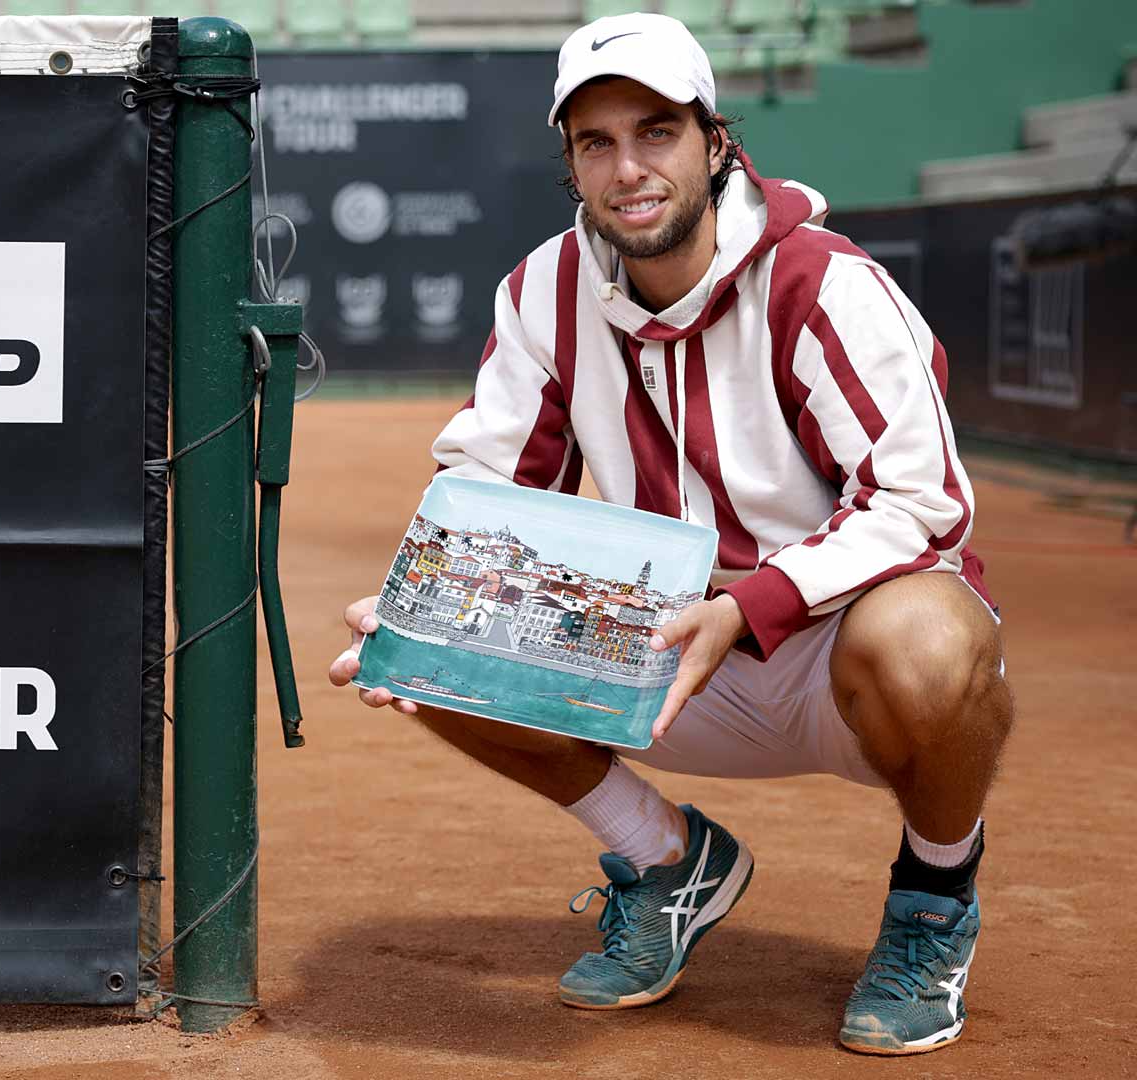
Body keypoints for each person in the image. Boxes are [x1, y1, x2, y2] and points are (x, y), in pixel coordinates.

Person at [327, 11, 1012, 1056]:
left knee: (931, 641)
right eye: (595, 143)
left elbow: (922, 505)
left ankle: (934, 893)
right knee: (426, 641)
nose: (628, 167)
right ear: (570, 163)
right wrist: (425, 608)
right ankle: (666, 859)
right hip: (659, 651)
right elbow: (490, 488)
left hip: (838, 647)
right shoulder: (544, 292)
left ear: (715, 141)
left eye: (655, 132)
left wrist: (750, 605)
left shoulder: (824, 284)